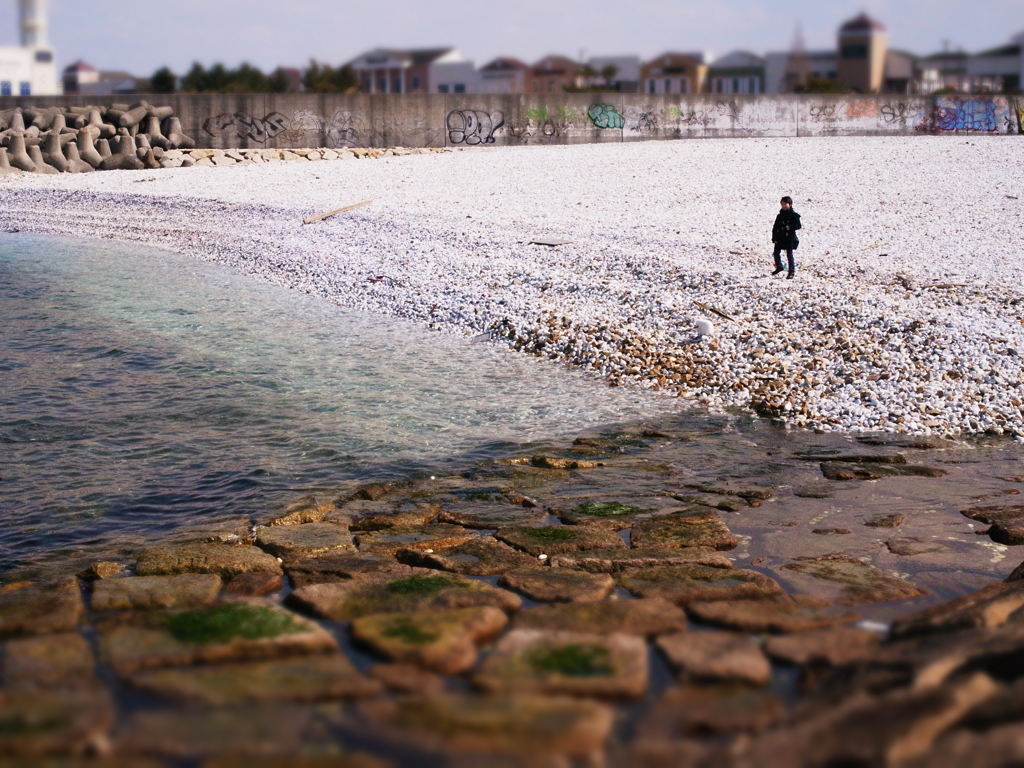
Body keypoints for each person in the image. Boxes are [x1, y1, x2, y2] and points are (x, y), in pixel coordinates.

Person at [771, 196, 801, 279]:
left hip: (789, 238)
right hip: (780, 237)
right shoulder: (779, 216)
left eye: (785, 204)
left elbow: (798, 226)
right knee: (776, 253)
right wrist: (774, 238)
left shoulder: (794, 215)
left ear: (790, 204)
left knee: (789, 254)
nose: (783, 206)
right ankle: (779, 266)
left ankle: (791, 271)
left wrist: (790, 227)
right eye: (782, 204)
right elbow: (775, 228)